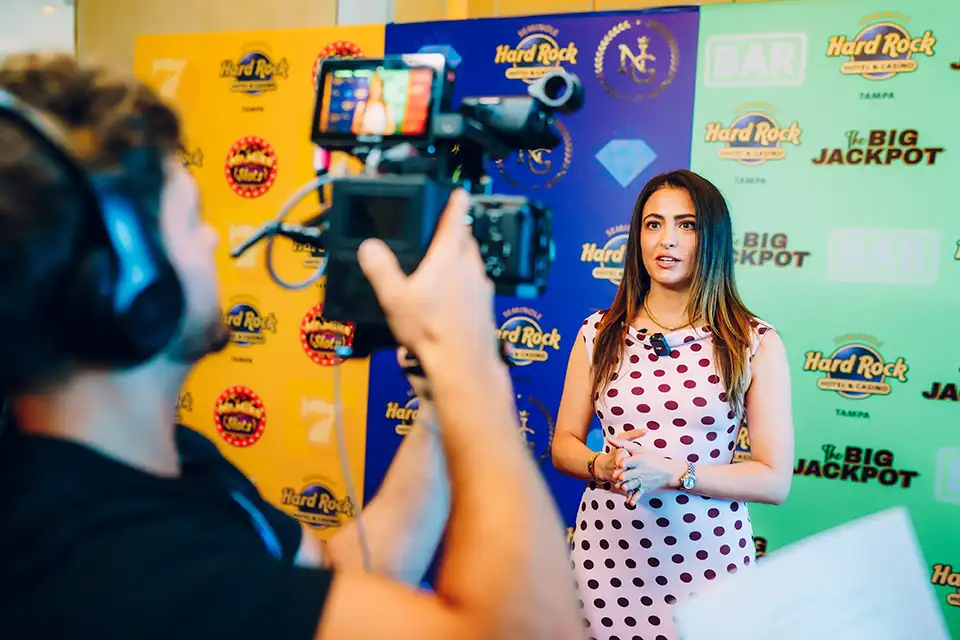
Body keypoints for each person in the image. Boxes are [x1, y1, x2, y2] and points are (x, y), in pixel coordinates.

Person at [0, 53, 582, 640]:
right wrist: (469, 364)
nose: (210, 239)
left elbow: (341, 575)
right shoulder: (109, 565)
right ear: (130, 281)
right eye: (190, 217)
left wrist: (436, 402)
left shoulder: (170, 461)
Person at [552, 169, 794, 640]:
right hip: (606, 559)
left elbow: (773, 479)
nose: (667, 239)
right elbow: (563, 445)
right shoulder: (598, 332)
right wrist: (605, 465)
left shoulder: (752, 340)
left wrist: (674, 472)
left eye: (686, 225)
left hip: (709, 564)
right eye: (653, 224)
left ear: (712, 239)